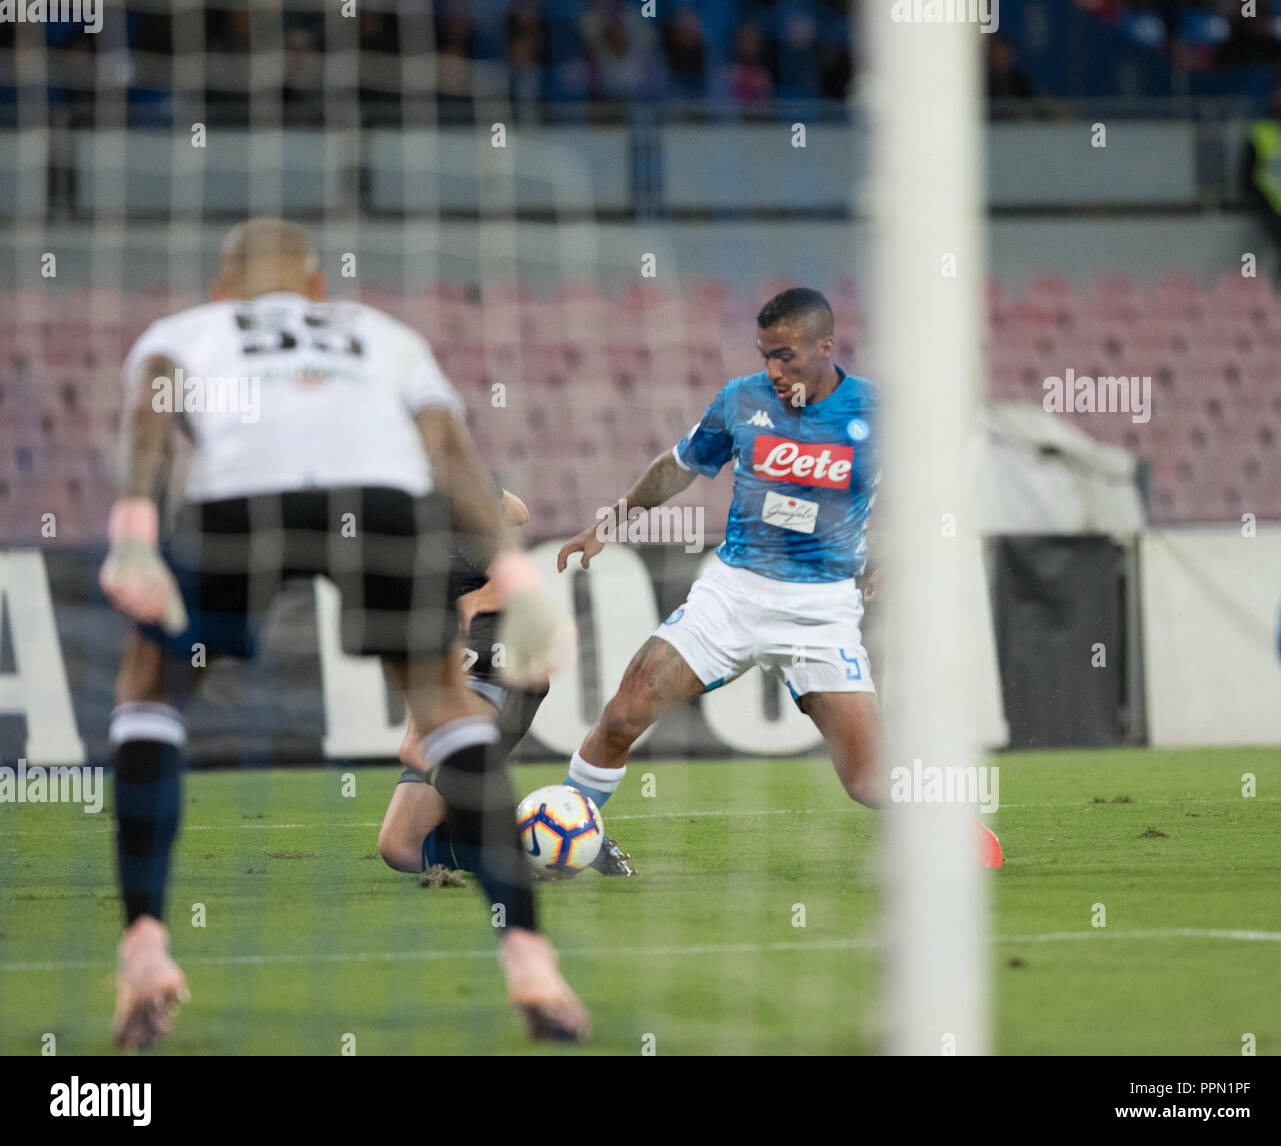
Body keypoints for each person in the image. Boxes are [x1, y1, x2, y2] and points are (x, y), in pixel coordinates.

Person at [99, 217, 586, 1048]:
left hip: (240, 499)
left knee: (150, 694)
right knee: (448, 711)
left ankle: (144, 949)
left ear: (221, 289)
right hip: (380, 500)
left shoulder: (185, 331)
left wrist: (137, 531)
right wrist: (517, 578)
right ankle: (530, 958)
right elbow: (453, 455)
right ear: (320, 288)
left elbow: (150, 420)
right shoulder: (380, 333)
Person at [556, 287, 1003, 874]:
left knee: (868, 780)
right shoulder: (741, 400)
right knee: (622, 715)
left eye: (785, 355)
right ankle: (579, 839)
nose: (773, 369)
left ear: (825, 347)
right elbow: (679, 467)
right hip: (733, 593)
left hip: (821, 610)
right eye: (765, 354)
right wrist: (612, 521)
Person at [377, 487, 553, 879]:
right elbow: (519, 510)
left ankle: (544, 840)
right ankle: (535, 844)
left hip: (490, 669)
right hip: (467, 668)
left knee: (418, 751)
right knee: (400, 848)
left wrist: (472, 602)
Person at [1242, 80, 1281, 290]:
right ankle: (1279, 299)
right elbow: (1247, 177)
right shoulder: (1261, 133)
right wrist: (1261, 202)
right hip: (1273, 207)